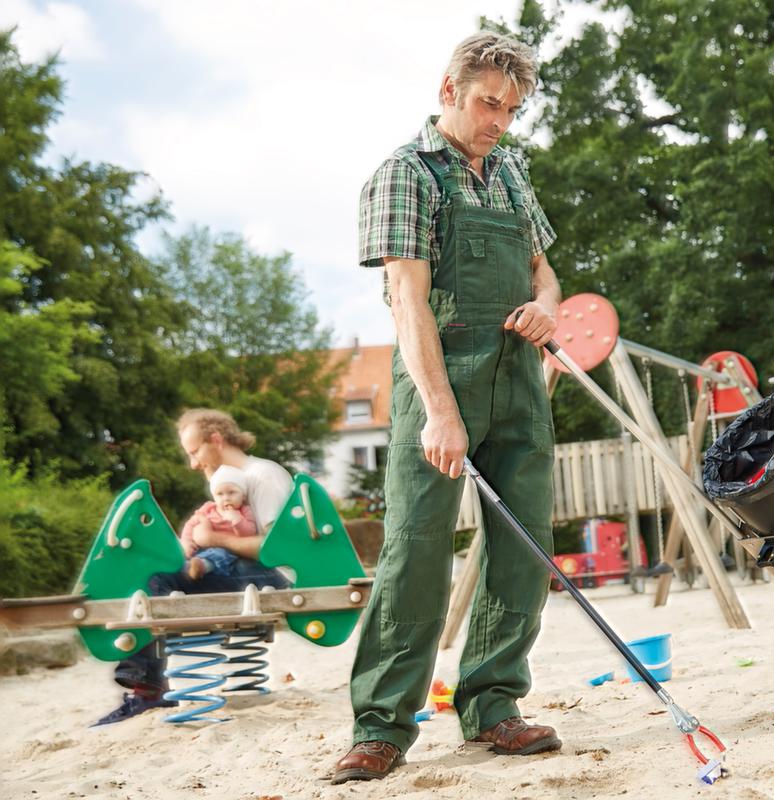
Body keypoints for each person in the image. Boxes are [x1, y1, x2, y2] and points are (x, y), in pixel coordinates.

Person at [334, 31, 562, 783]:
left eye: (512, 109)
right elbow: (406, 300)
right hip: (439, 378)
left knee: (523, 549)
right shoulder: (405, 174)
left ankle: (493, 706)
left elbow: (544, 272)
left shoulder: (509, 173)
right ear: (448, 92)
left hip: (518, 380)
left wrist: (547, 310)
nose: (499, 121)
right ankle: (383, 726)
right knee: (416, 552)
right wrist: (441, 410)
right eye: (488, 104)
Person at [94, 409, 294, 725]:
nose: (193, 463)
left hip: (272, 576)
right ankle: (147, 684)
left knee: (151, 577)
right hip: (239, 569)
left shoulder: (262, 475)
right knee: (152, 569)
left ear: (215, 439)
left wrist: (212, 538)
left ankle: (146, 687)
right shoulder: (231, 484)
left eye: (194, 452)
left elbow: (277, 549)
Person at [182, 465, 259, 581]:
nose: (226, 498)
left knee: (221, 555)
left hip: (227, 549)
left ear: (243, 496)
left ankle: (202, 566)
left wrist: (237, 520)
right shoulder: (208, 508)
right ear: (214, 497)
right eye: (220, 494)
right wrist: (186, 542)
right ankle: (188, 564)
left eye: (232, 492)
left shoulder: (244, 511)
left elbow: (250, 533)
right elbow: (190, 524)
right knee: (183, 553)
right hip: (200, 547)